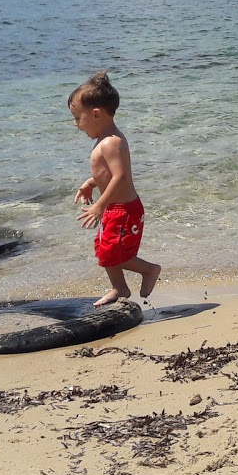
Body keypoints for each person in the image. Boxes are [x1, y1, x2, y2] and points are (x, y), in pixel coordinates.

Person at [68, 71, 160, 307]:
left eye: (78, 118)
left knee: (115, 253)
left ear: (96, 114)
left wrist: (99, 204)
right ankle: (119, 287)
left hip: (125, 210)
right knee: (104, 249)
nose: (76, 125)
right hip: (113, 208)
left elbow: (120, 176)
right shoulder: (104, 140)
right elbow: (106, 174)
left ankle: (149, 270)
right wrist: (90, 183)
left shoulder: (112, 142)